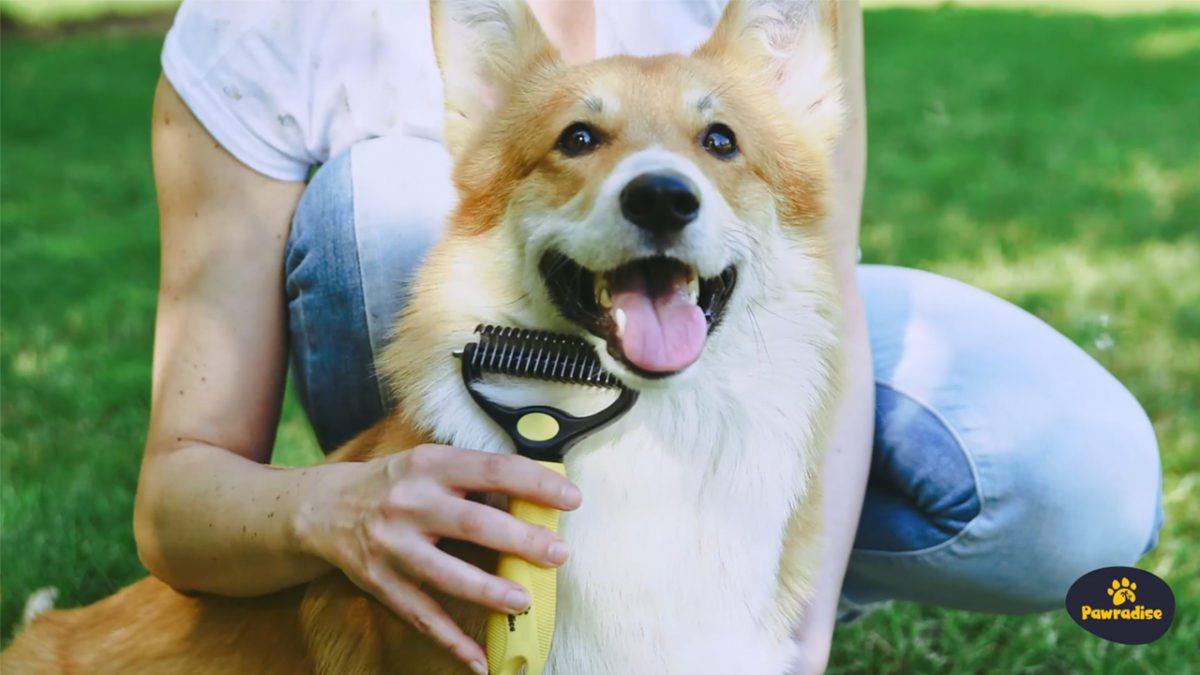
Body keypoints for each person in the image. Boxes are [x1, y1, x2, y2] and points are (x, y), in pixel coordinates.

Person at [138, 1, 1162, 673]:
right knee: (393, 196)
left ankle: (693, 594)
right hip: (475, 366)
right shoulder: (264, 21)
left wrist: (791, 638)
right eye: (584, 138)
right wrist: (335, 507)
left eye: (715, 142)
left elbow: (821, 283)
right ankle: (469, 593)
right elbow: (176, 497)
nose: (659, 179)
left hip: (734, 339)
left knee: (1080, 476)